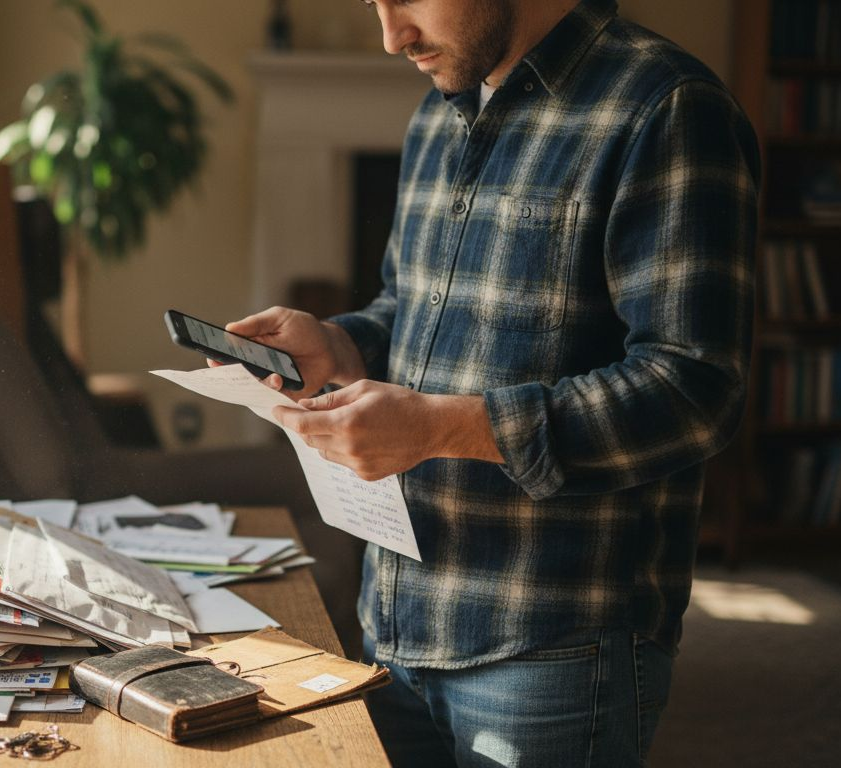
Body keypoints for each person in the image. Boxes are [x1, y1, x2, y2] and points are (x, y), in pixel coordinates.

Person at [216, 0, 760, 765]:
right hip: (396, 621)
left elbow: (696, 390)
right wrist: (337, 341)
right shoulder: (439, 111)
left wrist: (444, 426)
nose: (391, 35)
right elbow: (410, 308)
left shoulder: (665, 107)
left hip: (553, 647)